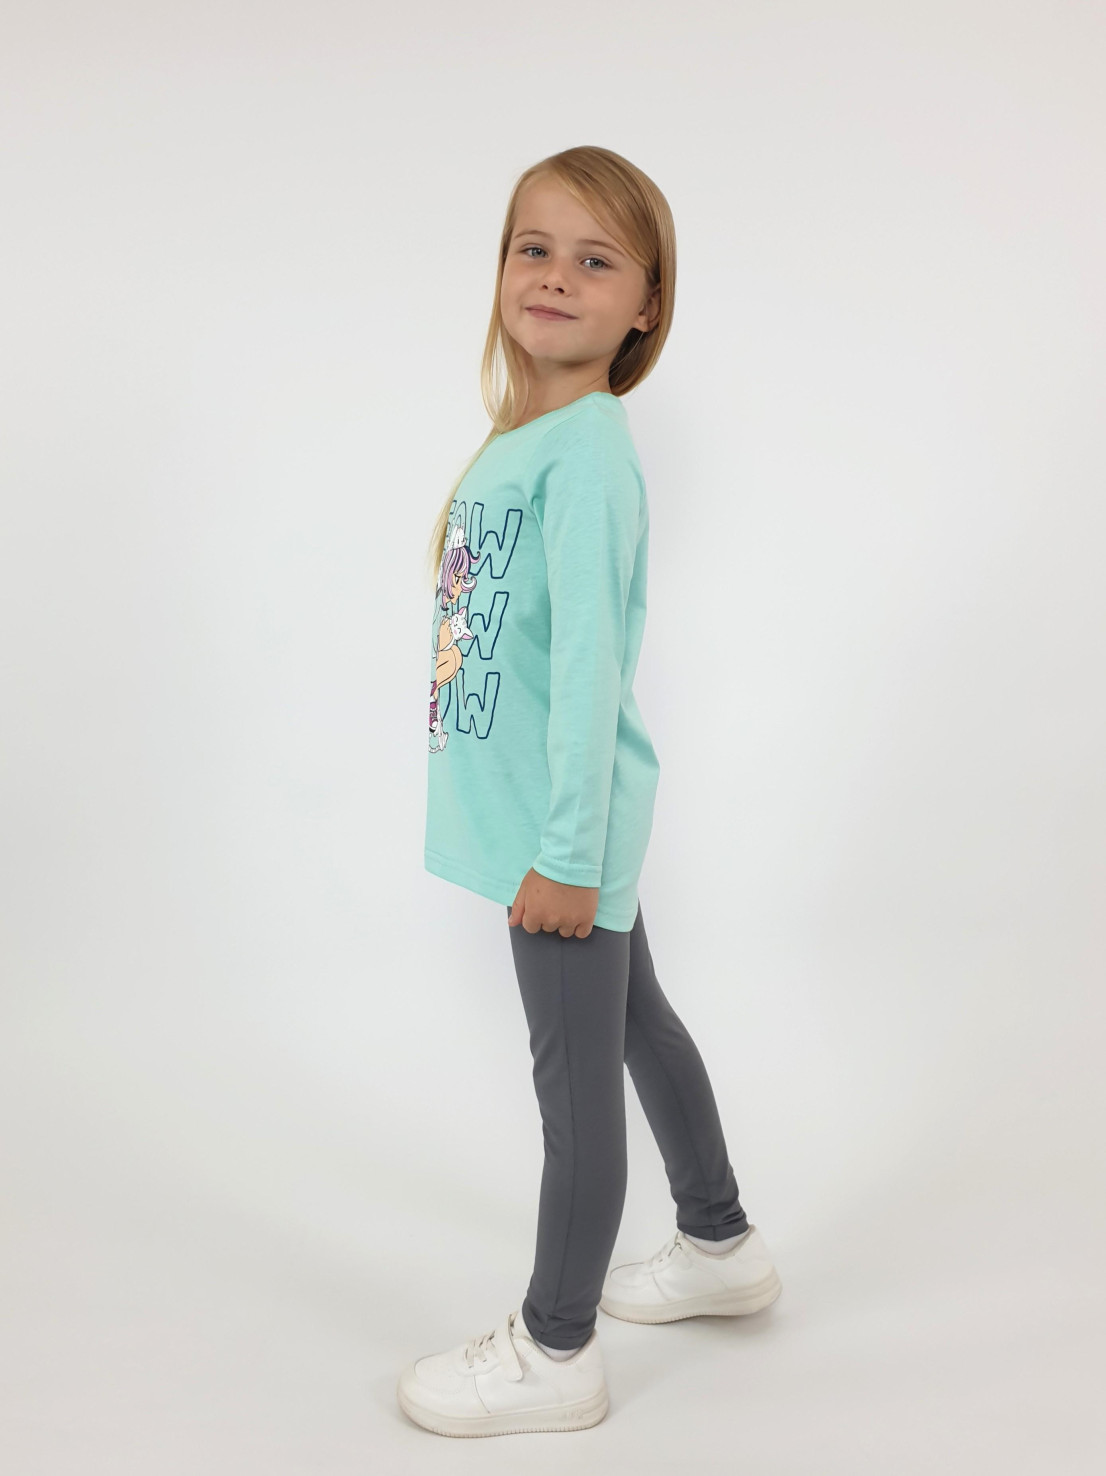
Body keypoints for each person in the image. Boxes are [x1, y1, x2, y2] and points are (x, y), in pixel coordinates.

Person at [398, 145, 782, 1438]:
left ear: (645, 306)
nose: (556, 276)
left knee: (575, 1089)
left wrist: (567, 855)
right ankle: (719, 1243)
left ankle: (557, 1349)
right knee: (637, 1025)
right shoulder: (532, 440)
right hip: (551, 828)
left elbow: (585, 676)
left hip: (560, 838)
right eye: (535, 248)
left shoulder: (587, 457)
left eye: (596, 259)